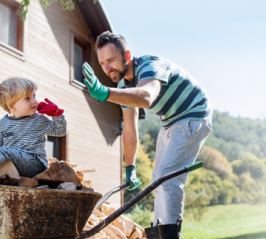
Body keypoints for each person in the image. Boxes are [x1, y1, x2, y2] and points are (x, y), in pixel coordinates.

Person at [82, 31, 212, 239]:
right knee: (157, 181)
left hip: (193, 114)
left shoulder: (150, 66)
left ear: (127, 55)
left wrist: (105, 92)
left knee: (169, 178)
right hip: (169, 121)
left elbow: (146, 97)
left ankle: (169, 235)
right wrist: (130, 167)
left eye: (111, 61)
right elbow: (130, 129)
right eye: (102, 63)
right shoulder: (123, 86)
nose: (107, 68)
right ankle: (158, 233)